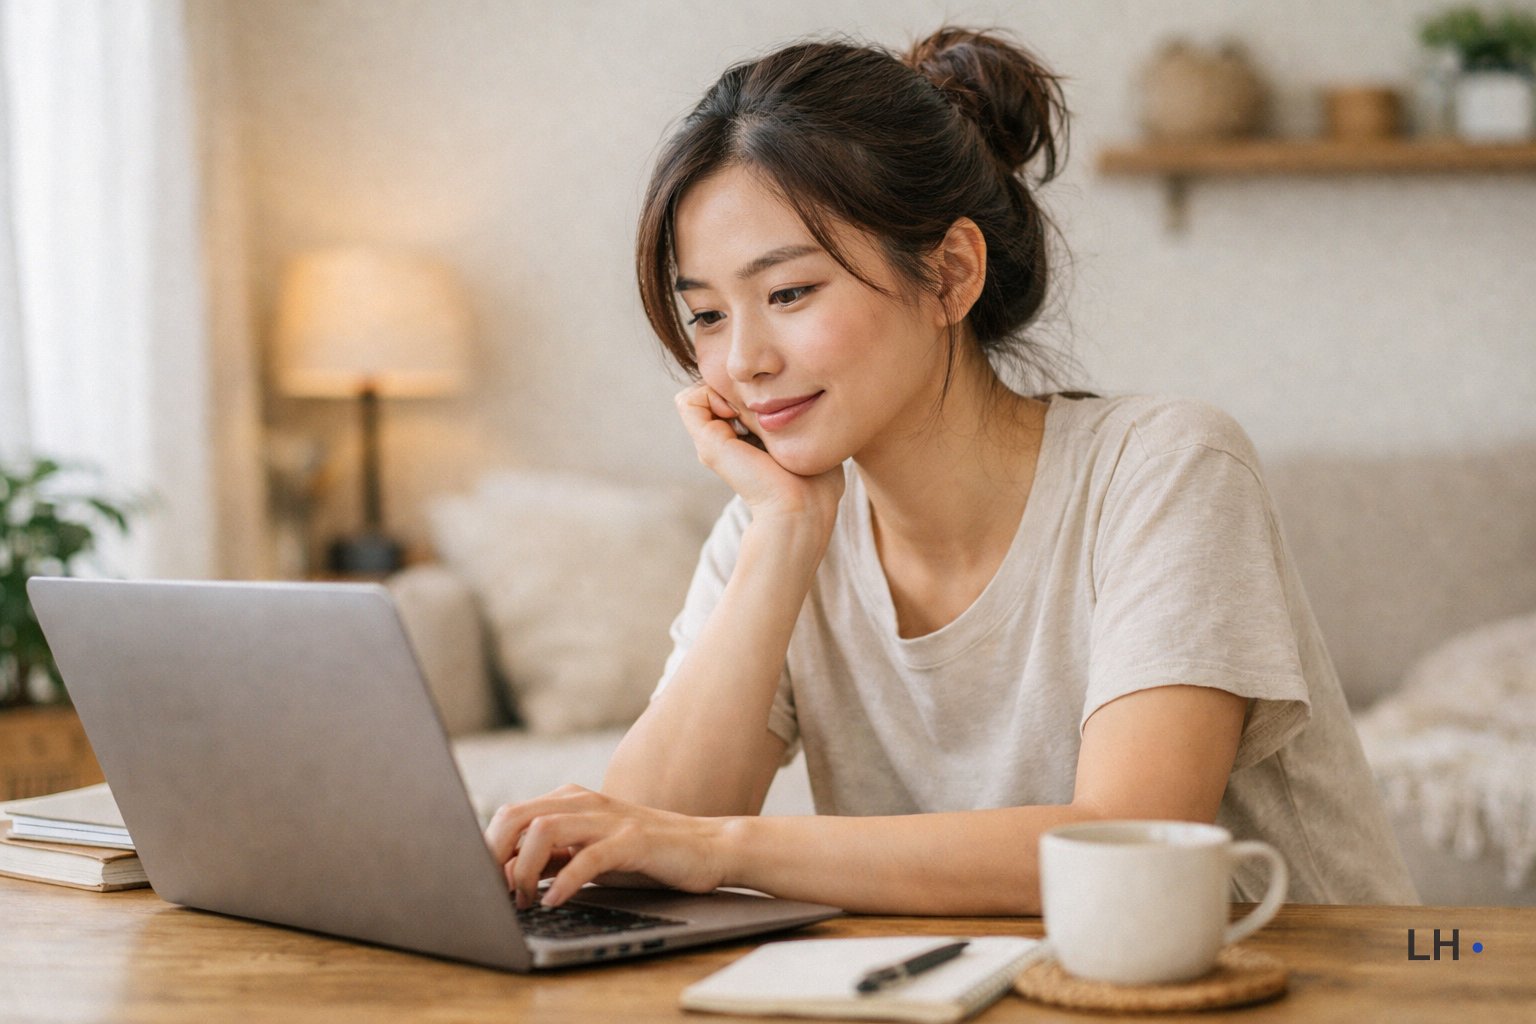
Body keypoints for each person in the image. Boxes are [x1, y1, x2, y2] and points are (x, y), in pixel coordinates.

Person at [483, 26, 1419, 915]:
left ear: (950, 275)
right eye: (707, 317)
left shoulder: (1166, 468)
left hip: (1310, 986)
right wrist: (787, 533)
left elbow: (1128, 840)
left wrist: (729, 850)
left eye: (789, 292)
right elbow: (637, 850)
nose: (744, 361)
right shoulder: (775, 525)